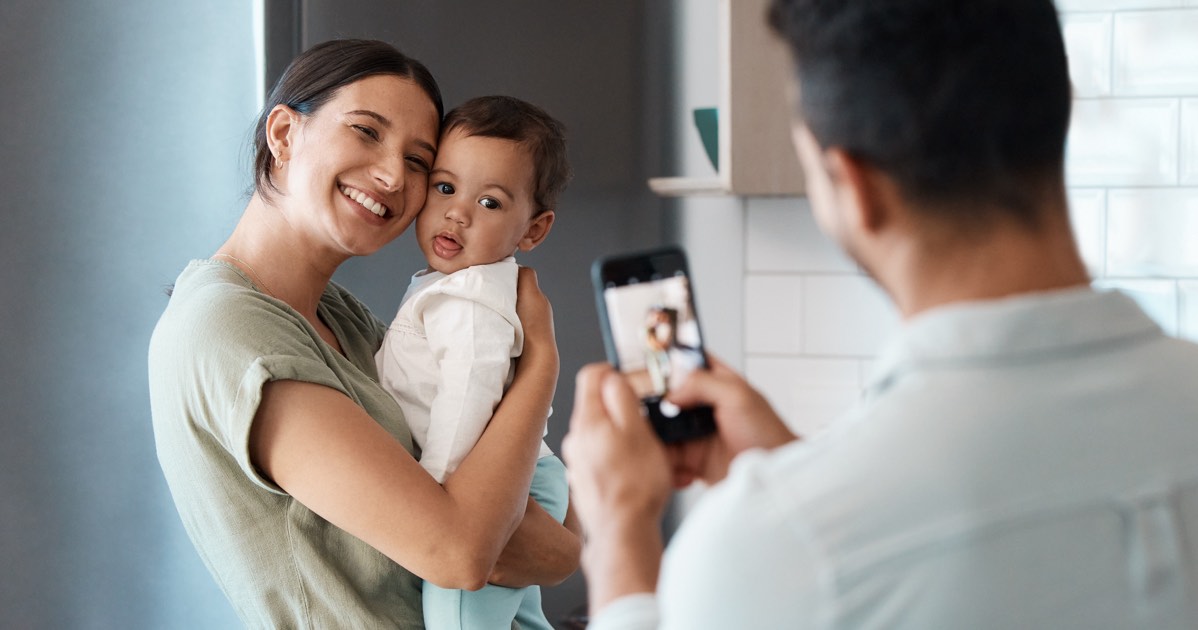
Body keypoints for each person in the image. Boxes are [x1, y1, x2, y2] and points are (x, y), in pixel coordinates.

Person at [562, 1, 1198, 628]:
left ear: (854, 186)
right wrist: (795, 471)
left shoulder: (767, 552)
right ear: (1059, 110)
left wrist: (620, 540)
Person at [148, 39, 580, 628]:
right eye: (367, 131)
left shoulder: (337, 316)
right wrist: (541, 366)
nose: (390, 175)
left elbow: (541, 541)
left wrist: (552, 548)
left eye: (418, 162)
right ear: (283, 134)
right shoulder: (231, 330)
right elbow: (460, 551)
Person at [373, 95, 572, 630]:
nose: (458, 211)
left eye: (490, 203)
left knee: (456, 617)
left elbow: (467, 395)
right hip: (519, 478)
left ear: (532, 230)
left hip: (494, 490)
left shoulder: (471, 302)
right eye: (445, 187)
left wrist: (436, 497)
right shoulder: (456, 287)